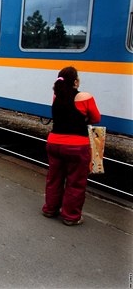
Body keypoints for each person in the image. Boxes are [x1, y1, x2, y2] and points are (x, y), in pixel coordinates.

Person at [42, 66, 101, 226]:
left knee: (54, 178)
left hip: (54, 143)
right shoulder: (85, 97)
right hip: (76, 146)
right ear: (75, 81)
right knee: (75, 182)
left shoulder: (57, 96)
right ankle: (70, 216)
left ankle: (50, 209)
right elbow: (96, 118)